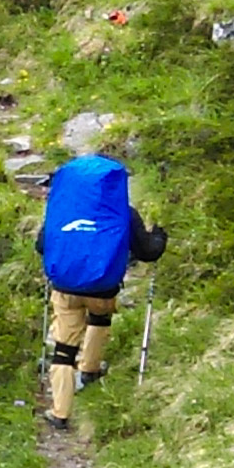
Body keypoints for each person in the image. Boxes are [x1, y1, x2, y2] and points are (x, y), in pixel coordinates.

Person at [37, 148, 164, 425]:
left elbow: (41, 245)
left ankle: (60, 412)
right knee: (99, 317)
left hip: (66, 288)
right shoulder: (122, 212)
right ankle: (90, 369)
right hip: (104, 288)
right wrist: (159, 236)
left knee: (63, 349)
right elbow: (148, 252)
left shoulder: (62, 210)